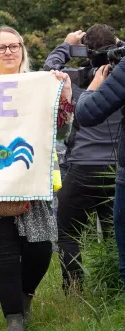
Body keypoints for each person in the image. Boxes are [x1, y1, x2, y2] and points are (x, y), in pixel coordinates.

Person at [0, 26, 72, 331]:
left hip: (33, 183)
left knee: (41, 248)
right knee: (4, 252)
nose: (9, 52)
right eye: (2, 48)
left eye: (15, 46)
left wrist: (63, 95)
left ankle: (24, 296)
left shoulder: (41, 84)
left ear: (23, 50)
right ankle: (13, 318)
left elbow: (62, 131)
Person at [44, 25, 122, 292]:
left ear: (86, 54)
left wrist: (66, 45)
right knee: (114, 234)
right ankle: (114, 287)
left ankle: (74, 289)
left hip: (82, 169)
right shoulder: (121, 77)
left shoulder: (76, 78)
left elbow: (48, 72)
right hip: (115, 171)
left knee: (67, 232)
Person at [75, 55, 125, 290]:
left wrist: (94, 85)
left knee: (67, 229)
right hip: (109, 165)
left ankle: (74, 289)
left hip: (90, 167)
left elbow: (87, 113)